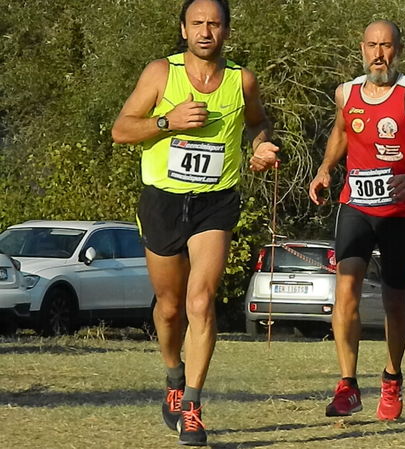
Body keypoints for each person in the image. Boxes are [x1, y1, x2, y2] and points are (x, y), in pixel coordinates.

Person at [111, 0, 278, 445]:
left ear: (226, 31)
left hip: (215, 201)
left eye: (215, 23)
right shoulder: (161, 73)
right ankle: (173, 378)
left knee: (200, 303)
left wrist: (262, 147)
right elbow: (121, 130)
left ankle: (193, 408)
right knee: (169, 306)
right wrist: (167, 121)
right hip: (163, 199)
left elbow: (258, 125)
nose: (206, 31)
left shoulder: (242, 80)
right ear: (183, 29)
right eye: (197, 23)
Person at [308, 20, 405, 421]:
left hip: (399, 212)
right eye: (372, 46)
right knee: (347, 290)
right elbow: (341, 131)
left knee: (394, 300)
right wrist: (325, 168)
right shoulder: (347, 92)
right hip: (355, 204)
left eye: (386, 47)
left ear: (398, 50)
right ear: (362, 48)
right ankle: (348, 386)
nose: (379, 54)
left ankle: (392, 379)